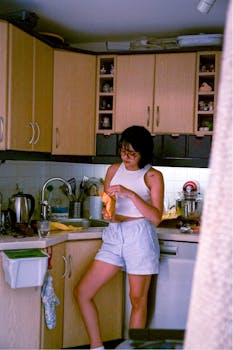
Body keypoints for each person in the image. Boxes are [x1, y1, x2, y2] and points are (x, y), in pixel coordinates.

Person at [74, 125, 164, 350]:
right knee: (83, 292)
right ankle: (97, 347)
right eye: (123, 150)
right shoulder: (113, 170)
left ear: (143, 153)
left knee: (137, 300)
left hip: (140, 237)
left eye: (131, 153)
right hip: (114, 236)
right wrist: (108, 213)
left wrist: (130, 194)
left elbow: (156, 217)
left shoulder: (153, 175)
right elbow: (110, 205)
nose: (125, 157)